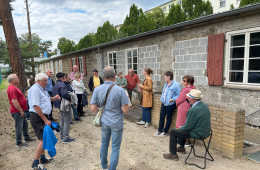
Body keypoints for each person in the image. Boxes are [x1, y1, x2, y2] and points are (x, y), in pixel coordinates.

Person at [91, 66, 130, 170]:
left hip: (104, 120)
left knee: (104, 144)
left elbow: (93, 108)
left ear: (103, 76)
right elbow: (125, 110)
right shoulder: (120, 90)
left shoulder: (97, 89)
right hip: (117, 122)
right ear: (114, 76)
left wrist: (102, 109)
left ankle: (104, 166)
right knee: (115, 148)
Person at [163, 89, 211, 161]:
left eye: (189, 97)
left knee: (174, 131)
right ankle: (181, 148)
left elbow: (187, 127)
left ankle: (173, 154)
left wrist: (181, 127)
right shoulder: (204, 106)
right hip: (206, 132)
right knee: (182, 128)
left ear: (192, 100)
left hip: (198, 133)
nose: (188, 98)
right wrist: (183, 127)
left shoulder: (193, 110)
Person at [28, 73, 60, 170]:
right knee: (43, 140)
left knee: (43, 139)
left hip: (41, 116)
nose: (47, 82)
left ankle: (43, 158)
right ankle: (35, 163)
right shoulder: (35, 89)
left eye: (46, 80)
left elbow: (46, 100)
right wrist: (45, 120)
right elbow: (36, 106)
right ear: (39, 81)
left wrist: (54, 98)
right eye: (45, 80)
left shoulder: (42, 88)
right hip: (37, 117)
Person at [7, 74, 34, 148]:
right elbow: (14, 101)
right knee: (19, 127)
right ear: (12, 80)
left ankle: (26, 137)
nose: (18, 78)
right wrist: (21, 111)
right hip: (17, 111)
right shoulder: (12, 88)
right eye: (16, 78)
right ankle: (18, 142)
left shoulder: (15, 87)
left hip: (21, 110)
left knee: (25, 124)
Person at [154, 71, 180, 137]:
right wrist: (162, 98)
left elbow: (178, 94)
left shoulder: (175, 84)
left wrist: (172, 99)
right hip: (164, 103)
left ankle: (165, 131)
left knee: (168, 118)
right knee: (161, 117)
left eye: (165, 76)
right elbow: (164, 92)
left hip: (171, 104)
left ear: (169, 77)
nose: (164, 78)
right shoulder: (166, 84)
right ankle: (159, 130)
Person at [52, 72, 75, 144]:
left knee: (62, 120)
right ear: (63, 77)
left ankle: (62, 136)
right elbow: (64, 94)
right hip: (64, 104)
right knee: (67, 120)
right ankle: (66, 138)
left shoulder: (56, 84)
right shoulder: (62, 84)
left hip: (58, 104)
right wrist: (70, 97)